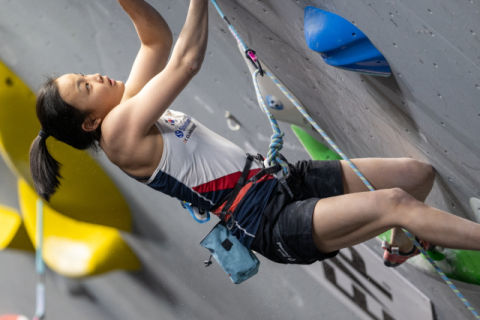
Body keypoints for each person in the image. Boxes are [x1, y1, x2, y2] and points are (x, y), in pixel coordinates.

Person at [29, 0, 480, 268]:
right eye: (85, 87)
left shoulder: (125, 110)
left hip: (277, 182)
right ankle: (408, 229)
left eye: (84, 74)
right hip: (267, 223)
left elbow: (154, 43)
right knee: (395, 202)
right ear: (89, 122)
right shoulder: (119, 133)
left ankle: (402, 245)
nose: (96, 76)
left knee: (416, 175)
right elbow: (185, 61)